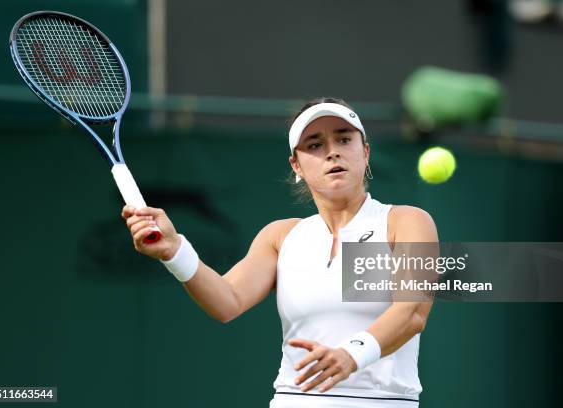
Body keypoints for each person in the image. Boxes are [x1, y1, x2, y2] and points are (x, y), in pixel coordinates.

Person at [121, 97, 438, 408]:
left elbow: (412, 313)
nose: (332, 152)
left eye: (344, 139)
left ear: (365, 152)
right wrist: (175, 251)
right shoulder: (281, 236)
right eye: (315, 145)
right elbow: (226, 301)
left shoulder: (406, 221)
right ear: (296, 165)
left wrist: (351, 354)